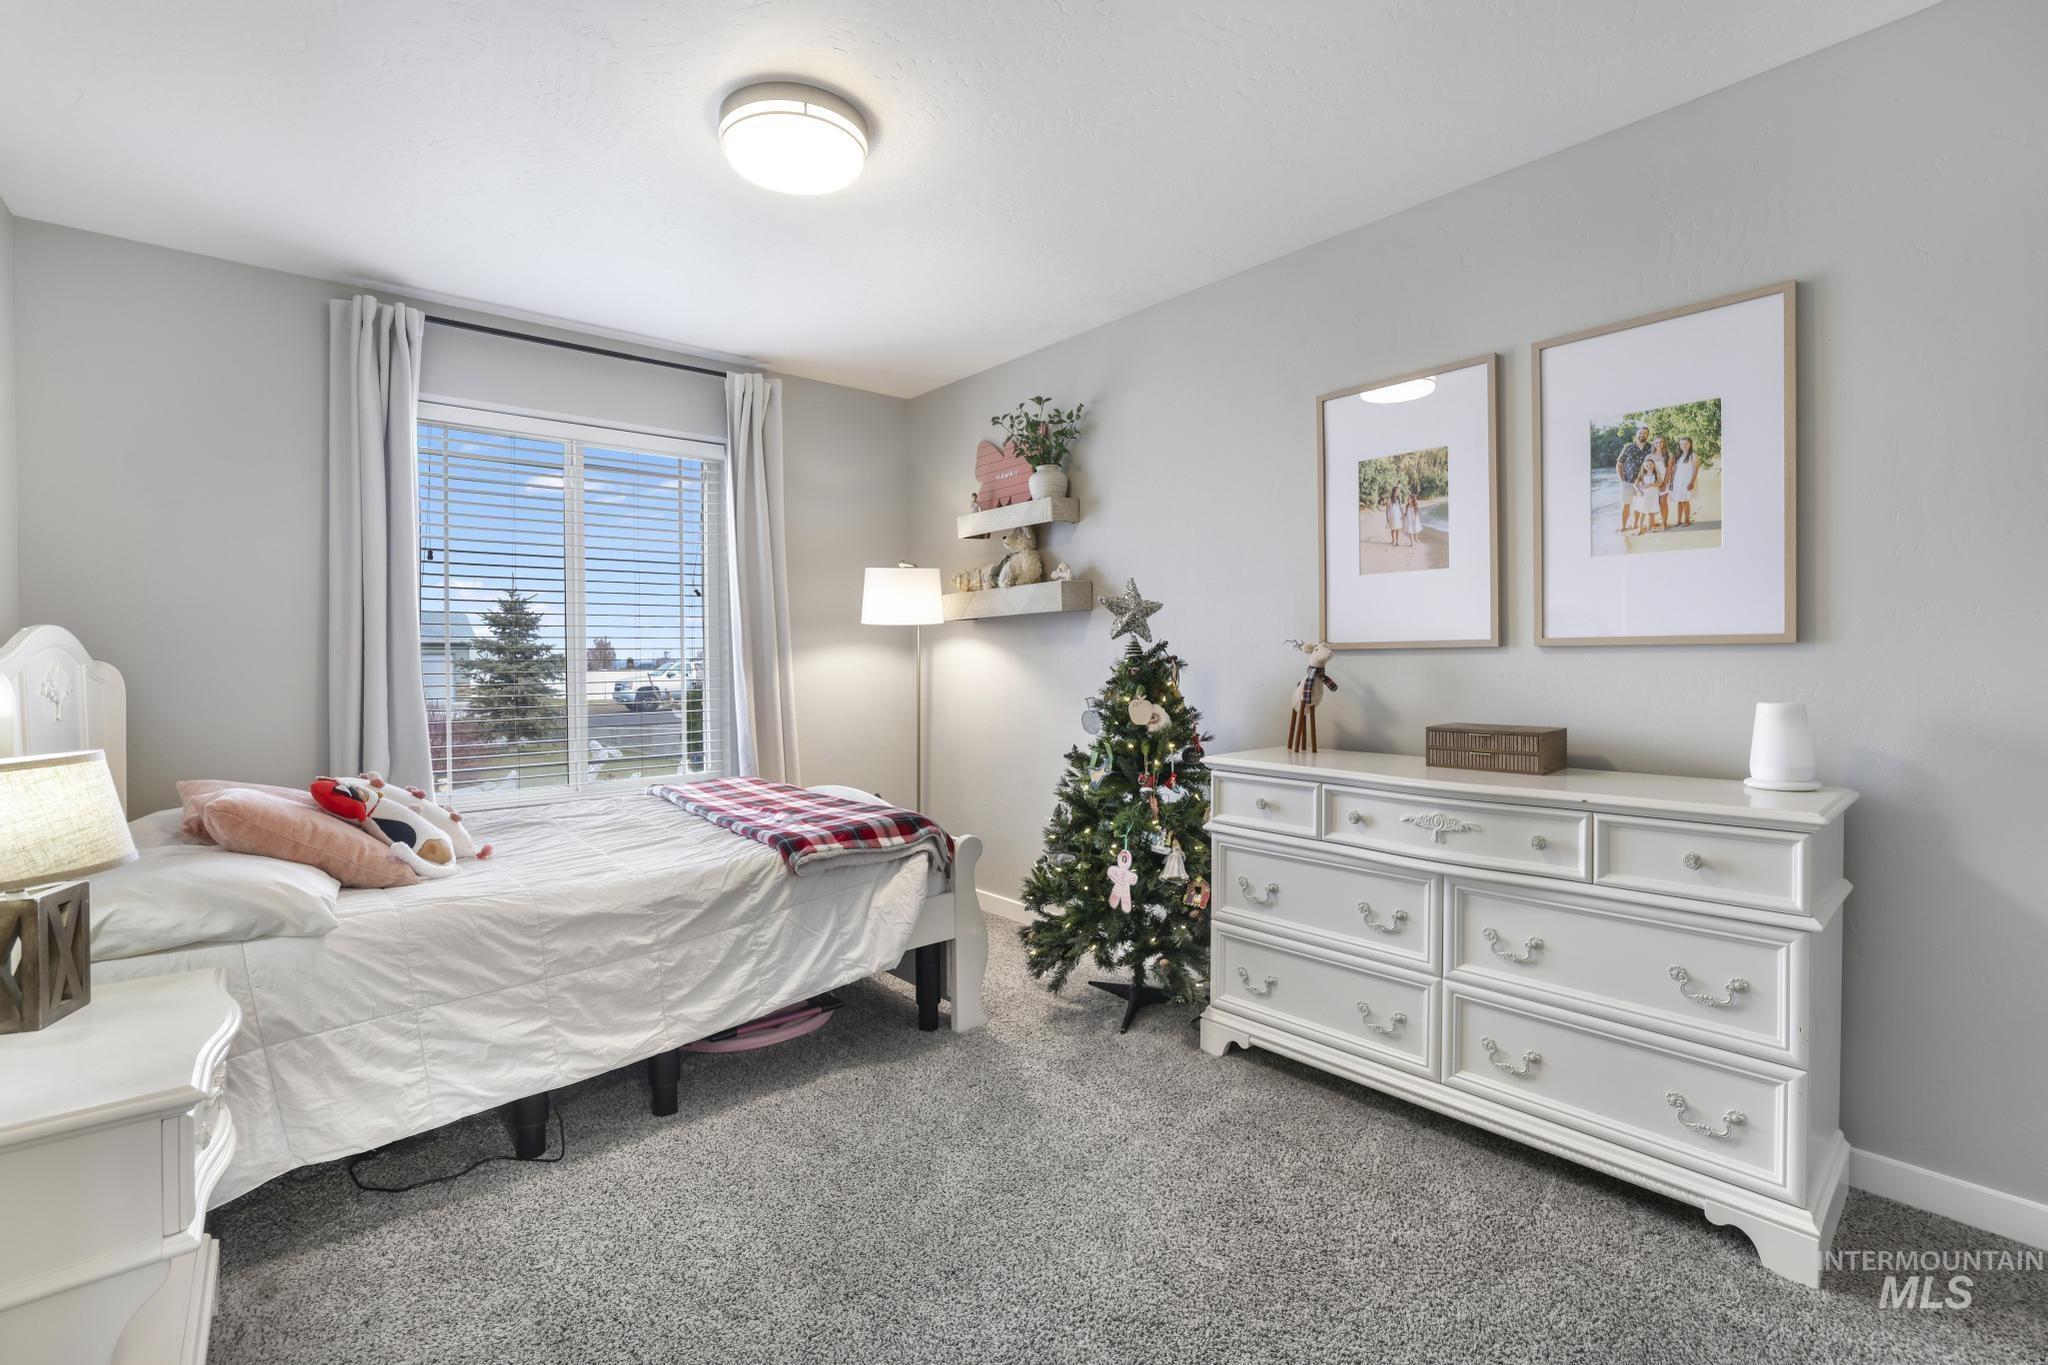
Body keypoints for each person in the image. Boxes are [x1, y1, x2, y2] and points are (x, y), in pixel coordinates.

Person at [1615, 425, 1651, 532]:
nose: (1642, 435)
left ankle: (1635, 524)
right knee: (1626, 505)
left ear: (1648, 435)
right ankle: (1624, 526)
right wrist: (1621, 480)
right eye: (1640, 433)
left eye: (1645, 433)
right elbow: (1619, 464)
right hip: (1627, 482)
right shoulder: (1628, 447)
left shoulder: (1650, 448)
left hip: (1642, 483)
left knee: (1639, 505)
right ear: (1636, 435)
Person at [1671, 437, 1699, 526]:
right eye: (1682, 444)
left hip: (1687, 481)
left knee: (1684, 500)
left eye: (1686, 443)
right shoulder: (1679, 455)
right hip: (1678, 481)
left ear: (1690, 444)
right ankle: (1679, 521)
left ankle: (1687, 520)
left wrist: (1692, 482)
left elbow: (1695, 469)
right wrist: (1671, 482)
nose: (1684, 446)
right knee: (1679, 500)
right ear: (1679, 445)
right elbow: (1675, 470)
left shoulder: (1693, 455)